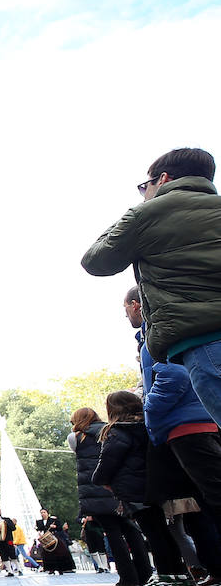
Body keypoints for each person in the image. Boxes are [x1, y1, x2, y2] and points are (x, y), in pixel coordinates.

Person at [82, 147, 221, 424]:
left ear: (164, 179)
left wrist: (136, 214)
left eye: (146, 186)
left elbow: (96, 261)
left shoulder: (146, 215)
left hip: (203, 340)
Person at [131, 285, 221, 586]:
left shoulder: (159, 331)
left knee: (210, 498)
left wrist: (151, 411)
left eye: (128, 306)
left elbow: (173, 376)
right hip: (193, 421)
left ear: (137, 305)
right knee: (203, 502)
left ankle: (190, 573)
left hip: (185, 425)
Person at [92, 391, 194, 586]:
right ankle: (179, 574)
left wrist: (100, 480)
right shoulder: (150, 426)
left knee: (153, 533)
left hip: (134, 490)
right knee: (165, 531)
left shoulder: (117, 432)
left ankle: (166, 576)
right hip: (156, 486)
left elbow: (108, 462)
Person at [70, 407, 150, 586]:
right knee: (131, 530)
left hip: (95, 491)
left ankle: (127, 577)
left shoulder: (76, 438)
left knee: (113, 534)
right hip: (116, 488)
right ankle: (145, 572)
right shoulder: (110, 430)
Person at [34, 509, 76, 574]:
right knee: (48, 555)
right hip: (46, 540)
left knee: (60, 553)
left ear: (47, 513)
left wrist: (54, 526)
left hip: (54, 538)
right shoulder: (39, 522)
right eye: (41, 513)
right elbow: (39, 529)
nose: (43, 514)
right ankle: (51, 569)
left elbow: (60, 528)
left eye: (44, 512)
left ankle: (63, 568)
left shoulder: (53, 520)